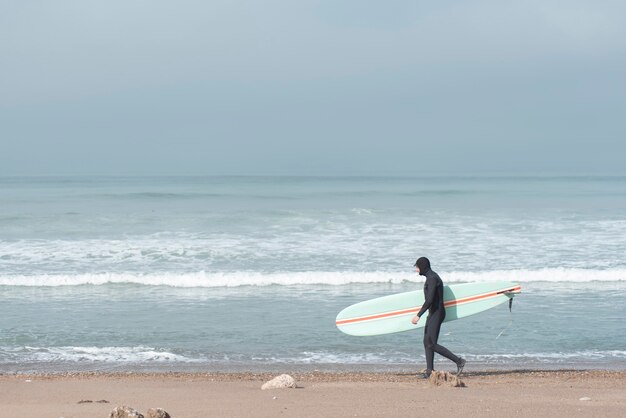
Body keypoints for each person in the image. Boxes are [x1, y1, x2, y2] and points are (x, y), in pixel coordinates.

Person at [411, 257, 465, 378]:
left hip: (437, 313)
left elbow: (429, 300)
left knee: (432, 344)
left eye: (417, 267)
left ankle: (459, 361)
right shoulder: (431, 277)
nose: (416, 270)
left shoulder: (432, 279)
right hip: (433, 312)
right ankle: (430, 371)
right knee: (427, 342)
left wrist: (418, 315)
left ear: (423, 266)